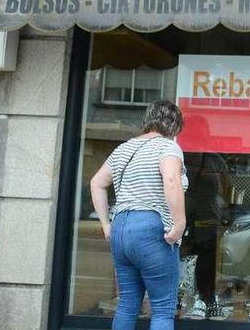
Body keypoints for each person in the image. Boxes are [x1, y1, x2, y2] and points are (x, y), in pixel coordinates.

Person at [90, 100, 189, 330]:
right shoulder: (168, 147)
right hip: (151, 227)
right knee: (163, 309)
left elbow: (97, 183)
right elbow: (172, 180)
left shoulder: (123, 148)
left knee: (126, 304)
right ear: (174, 124)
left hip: (121, 228)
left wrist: (106, 224)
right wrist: (179, 223)